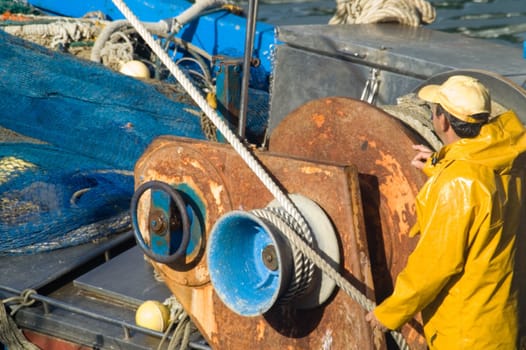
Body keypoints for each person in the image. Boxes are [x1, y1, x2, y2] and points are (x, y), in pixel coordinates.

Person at [365, 75, 526, 349]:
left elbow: (434, 265)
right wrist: (441, 165)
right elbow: (482, 198)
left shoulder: (458, 185)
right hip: (502, 321)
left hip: (466, 334)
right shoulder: (508, 161)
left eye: (434, 110)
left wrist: (390, 312)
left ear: (443, 121)